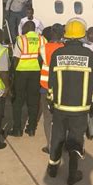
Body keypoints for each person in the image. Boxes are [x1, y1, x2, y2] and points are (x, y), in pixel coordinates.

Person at [46, 18, 93, 185]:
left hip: (60, 107)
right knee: (76, 140)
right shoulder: (89, 55)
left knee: (57, 138)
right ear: (82, 35)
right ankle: (72, 173)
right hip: (80, 109)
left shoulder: (57, 54)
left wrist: (51, 103)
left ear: (66, 35)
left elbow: (51, 83)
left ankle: (53, 169)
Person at [9, 21, 46, 137]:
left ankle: (17, 129)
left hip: (21, 72)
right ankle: (31, 128)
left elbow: (16, 58)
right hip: (36, 72)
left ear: (27, 27)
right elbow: (42, 57)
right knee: (34, 101)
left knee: (18, 101)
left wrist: (12, 74)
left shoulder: (21, 39)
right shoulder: (42, 39)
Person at [38, 23, 65, 153]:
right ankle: (62, 143)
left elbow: (40, 63)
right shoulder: (65, 48)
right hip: (62, 88)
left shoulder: (43, 48)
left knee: (48, 118)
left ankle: (50, 146)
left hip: (46, 87)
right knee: (62, 118)